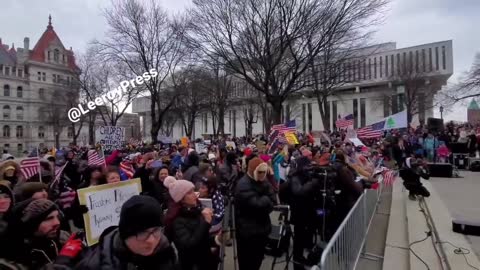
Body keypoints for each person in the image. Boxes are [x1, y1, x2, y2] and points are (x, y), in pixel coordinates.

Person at [76, 195, 177, 270]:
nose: (151, 240)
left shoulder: (167, 252)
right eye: (142, 233)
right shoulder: (95, 264)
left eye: (155, 230)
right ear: (125, 234)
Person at [164, 177, 218, 270]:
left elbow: (202, 239)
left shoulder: (195, 211)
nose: (195, 195)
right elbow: (190, 246)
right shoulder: (177, 221)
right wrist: (205, 222)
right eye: (190, 193)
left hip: (206, 262)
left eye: (193, 191)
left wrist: (217, 239)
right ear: (181, 199)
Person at [234, 157, 276, 270]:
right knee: (248, 264)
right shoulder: (243, 185)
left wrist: (266, 198)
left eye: (264, 172)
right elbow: (258, 206)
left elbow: (274, 200)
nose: (263, 175)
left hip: (260, 230)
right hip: (248, 233)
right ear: (253, 171)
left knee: (256, 262)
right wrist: (267, 199)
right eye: (260, 172)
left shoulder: (262, 181)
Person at [13, 199, 71, 269]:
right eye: (49, 218)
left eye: (57, 216)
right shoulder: (19, 256)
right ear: (33, 224)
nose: (57, 222)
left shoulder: (63, 238)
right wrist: (64, 259)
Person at [287, 156, 320, 270]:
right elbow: (298, 191)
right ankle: (297, 262)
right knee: (298, 239)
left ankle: (302, 258)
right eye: (308, 166)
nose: (310, 169)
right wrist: (312, 183)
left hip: (308, 212)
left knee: (304, 238)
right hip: (299, 214)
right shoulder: (295, 178)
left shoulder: (307, 176)